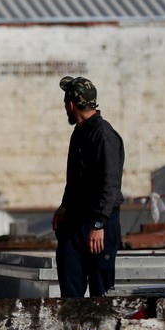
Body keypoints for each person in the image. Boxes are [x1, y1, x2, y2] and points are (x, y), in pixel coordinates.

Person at [51, 76, 125, 298]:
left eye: (65, 102)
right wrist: (65, 205)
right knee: (70, 293)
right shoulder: (80, 132)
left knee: (100, 294)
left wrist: (98, 223)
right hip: (75, 222)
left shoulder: (103, 135)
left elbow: (109, 184)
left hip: (99, 224)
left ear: (71, 104)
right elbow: (76, 178)